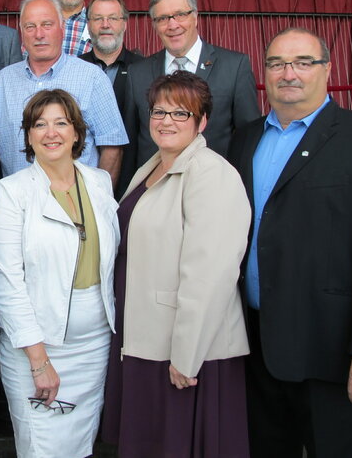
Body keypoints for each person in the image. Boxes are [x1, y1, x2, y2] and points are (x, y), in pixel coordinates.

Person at [227, 28, 352, 458]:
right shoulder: (244, 139)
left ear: (328, 69)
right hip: (256, 347)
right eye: (277, 63)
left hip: (332, 352)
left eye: (302, 62)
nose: (288, 74)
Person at [101, 71, 251, 458]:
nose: (166, 120)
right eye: (159, 111)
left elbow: (210, 275)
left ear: (202, 122)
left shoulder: (212, 175)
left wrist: (187, 356)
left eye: (181, 113)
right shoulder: (151, 166)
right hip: (145, 339)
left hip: (185, 351)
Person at [0, 88, 119, 457]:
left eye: (61, 122)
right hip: (37, 348)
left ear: (77, 132)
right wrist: (38, 360)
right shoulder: (11, 192)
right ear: (28, 135)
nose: (51, 133)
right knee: (42, 447)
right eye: (40, 124)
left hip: (94, 344)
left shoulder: (99, 182)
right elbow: (8, 283)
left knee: (80, 445)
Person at [120, 0, 259, 195]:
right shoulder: (136, 74)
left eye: (179, 14)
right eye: (163, 18)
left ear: (195, 16)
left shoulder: (234, 66)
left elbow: (248, 138)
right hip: (153, 191)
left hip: (213, 190)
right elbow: (131, 147)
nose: (172, 25)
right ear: (155, 25)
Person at [0, 0, 128, 187]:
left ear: (62, 29)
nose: (39, 34)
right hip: (19, 207)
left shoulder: (92, 78)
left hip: (76, 206)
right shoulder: (1, 82)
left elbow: (112, 147)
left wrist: (97, 201)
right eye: (30, 26)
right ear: (21, 32)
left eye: (47, 25)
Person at [78, 0, 144, 119]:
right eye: (98, 19)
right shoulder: (74, 68)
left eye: (113, 18)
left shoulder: (143, 69)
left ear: (124, 24)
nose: (105, 25)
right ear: (88, 25)